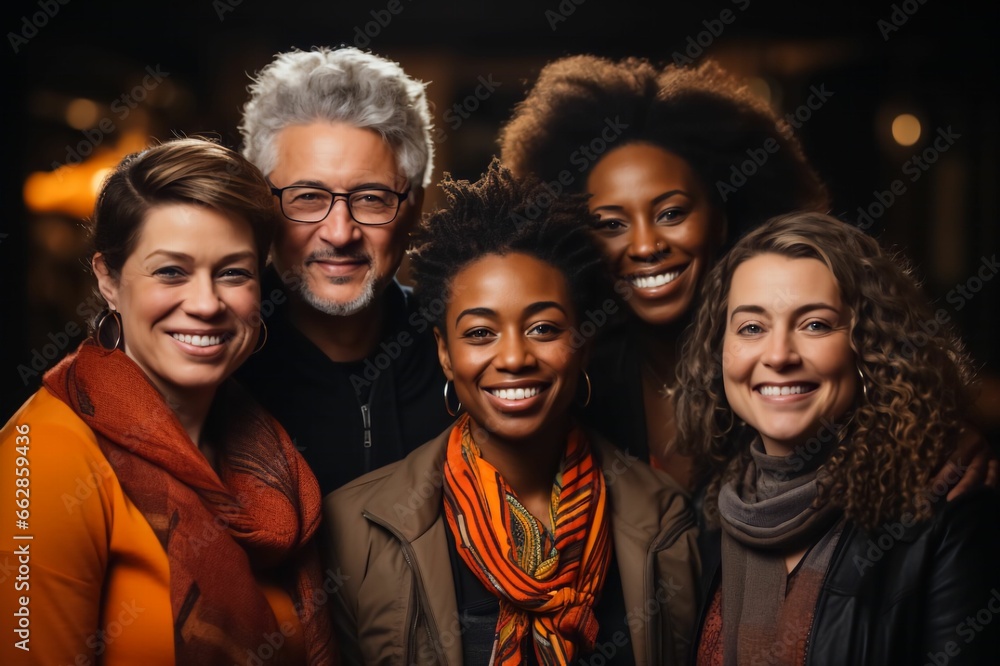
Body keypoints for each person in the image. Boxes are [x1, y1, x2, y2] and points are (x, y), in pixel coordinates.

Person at [498, 53, 995, 496]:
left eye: (672, 213)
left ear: (723, 214)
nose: (646, 245)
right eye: (611, 224)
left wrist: (945, 437)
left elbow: (899, 417)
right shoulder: (578, 377)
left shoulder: (784, 361)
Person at [323, 160, 700, 664]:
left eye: (544, 328)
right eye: (480, 333)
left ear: (583, 343)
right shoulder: (356, 528)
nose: (515, 358)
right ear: (444, 352)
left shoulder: (666, 517)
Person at [0, 138, 336, 665]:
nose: (205, 304)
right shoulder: (45, 453)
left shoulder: (264, 449)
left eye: (233, 272)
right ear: (109, 280)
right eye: (171, 272)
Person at [674, 211, 1000, 665]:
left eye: (815, 324)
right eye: (752, 327)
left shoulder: (947, 511)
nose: (779, 354)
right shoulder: (708, 512)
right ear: (720, 351)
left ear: (869, 347)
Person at [236, 46, 453, 494]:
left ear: (414, 208)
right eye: (308, 197)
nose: (340, 232)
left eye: (372, 197)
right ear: (263, 205)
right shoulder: (219, 367)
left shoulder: (468, 353)